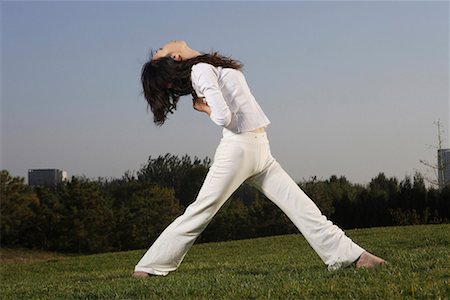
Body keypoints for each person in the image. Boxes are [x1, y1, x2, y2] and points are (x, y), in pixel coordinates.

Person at [133, 40, 385, 278]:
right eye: (162, 49)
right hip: (239, 149)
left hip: (259, 148)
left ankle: (355, 257)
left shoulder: (207, 66)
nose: (165, 44)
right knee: (201, 209)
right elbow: (223, 117)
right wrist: (207, 109)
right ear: (175, 57)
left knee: (302, 207)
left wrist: (206, 107)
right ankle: (149, 266)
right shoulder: (200, 69)